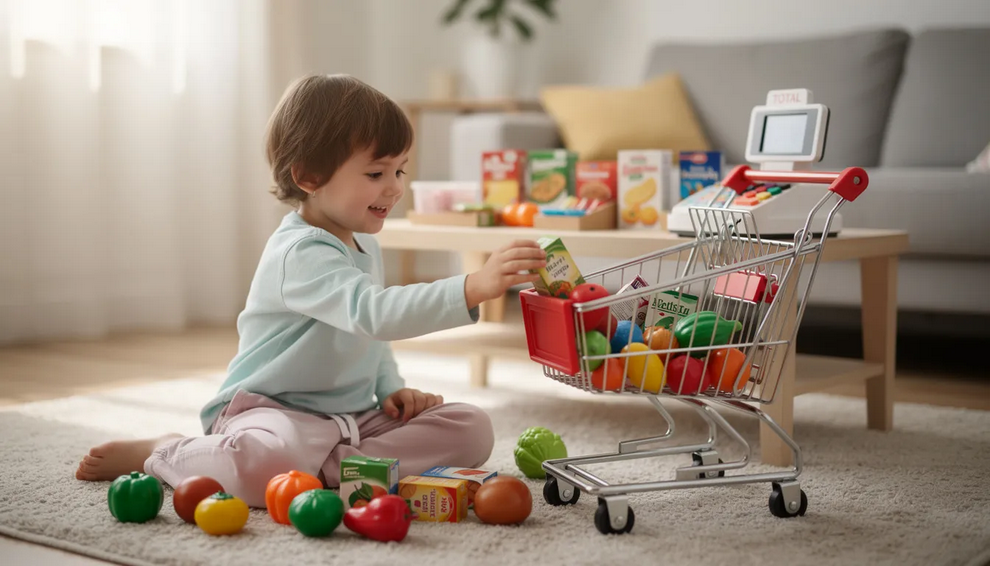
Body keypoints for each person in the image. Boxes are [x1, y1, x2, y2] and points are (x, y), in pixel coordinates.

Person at [75, 74, 546, 507]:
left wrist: (390, 390)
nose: (395, 188)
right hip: (272, 414)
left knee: (471, 428)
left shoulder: (362, 242)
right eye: (376, 173)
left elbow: (370, 338)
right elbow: (373, 313)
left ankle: (328, 469)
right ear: (309, 178)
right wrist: (474, 286)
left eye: (399, 171)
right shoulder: (300, 252)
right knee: (270, 460)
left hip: (351, 421)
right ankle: (167, 451)